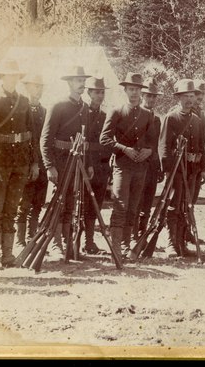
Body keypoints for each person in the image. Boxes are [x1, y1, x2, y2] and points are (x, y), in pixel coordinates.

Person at [0, 58, 39, 269]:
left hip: (20, 163)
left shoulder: (23, 101)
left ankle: (8, 254)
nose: (11, 78)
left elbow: (31, 135)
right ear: (1, 77)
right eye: (8, 75)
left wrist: (33, 163)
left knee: (12, 209)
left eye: (15, 75)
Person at [39, 66, 91, 259]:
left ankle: (69, 245)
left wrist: (89, 164)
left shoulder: (84, 108)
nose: (82, 85)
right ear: (69, 83)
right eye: (78, 81)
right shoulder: (58, 106)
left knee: (72, 203)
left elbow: (85, 139)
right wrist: (49, 166)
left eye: (83, 81)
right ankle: (55, 244)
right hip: (60, 161)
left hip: (76, 162)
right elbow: (45, 139)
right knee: (58, 203)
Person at [100, 73, 154, 255]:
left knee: (134, 206)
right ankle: (116, 246)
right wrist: (124, 148)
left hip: (140, 166)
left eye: (137, 90)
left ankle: (126, 244)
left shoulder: (148, 114)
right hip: (122, 165)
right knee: (121, 204)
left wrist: (149, 150)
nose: (134, 93)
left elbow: (153, 140)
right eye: (131, 89)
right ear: (125, 90)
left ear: (141, 92)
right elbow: (104, 138)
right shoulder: (116, 111)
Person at [159, 79, 205, 257]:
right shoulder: (171, 117)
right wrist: (169, 171)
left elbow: (202, 146)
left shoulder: (197, 119)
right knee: (173, 206)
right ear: (178, 98)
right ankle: (171, 243)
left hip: (193, 170)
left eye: (192, 96)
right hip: (177, 170)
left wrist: (203, 168)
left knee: (188, 206)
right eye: (185, 96)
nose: (189, 100)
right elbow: (164, 146)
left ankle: (181, 243)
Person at [15, 72, 47, 247]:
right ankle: (20, 241)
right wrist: (30, 163)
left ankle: (31, 238)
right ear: (26, 87)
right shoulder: (20, 110)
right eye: (35, 86)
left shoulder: (44, 111)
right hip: (25, 163)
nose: (38, 90)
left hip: (41, 163)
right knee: (24, 203)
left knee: (38, 203)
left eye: (41, 86)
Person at [83, 76, 111, 254]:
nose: (99, 96)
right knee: (82, 203)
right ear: (89, 93)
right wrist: (88, 163)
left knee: (96, 205)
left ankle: (89, 241)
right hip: (85, 165)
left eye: (102, 92)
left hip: (102, 166)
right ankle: (75, 242)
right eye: (96, 92)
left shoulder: (105, 116)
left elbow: (108, 141)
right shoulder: (82, 112)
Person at [135, 78, 164, 242]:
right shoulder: (136, 114)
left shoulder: (157, 119)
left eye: (154, 96)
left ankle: (142, 233)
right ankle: (132, 235)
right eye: (148, 96)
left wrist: (158, 166)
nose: (151, 99)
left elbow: (157, 144)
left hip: (152, 166)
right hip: (138, 163)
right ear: (142, 96)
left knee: (148, 201)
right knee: (136, 201)